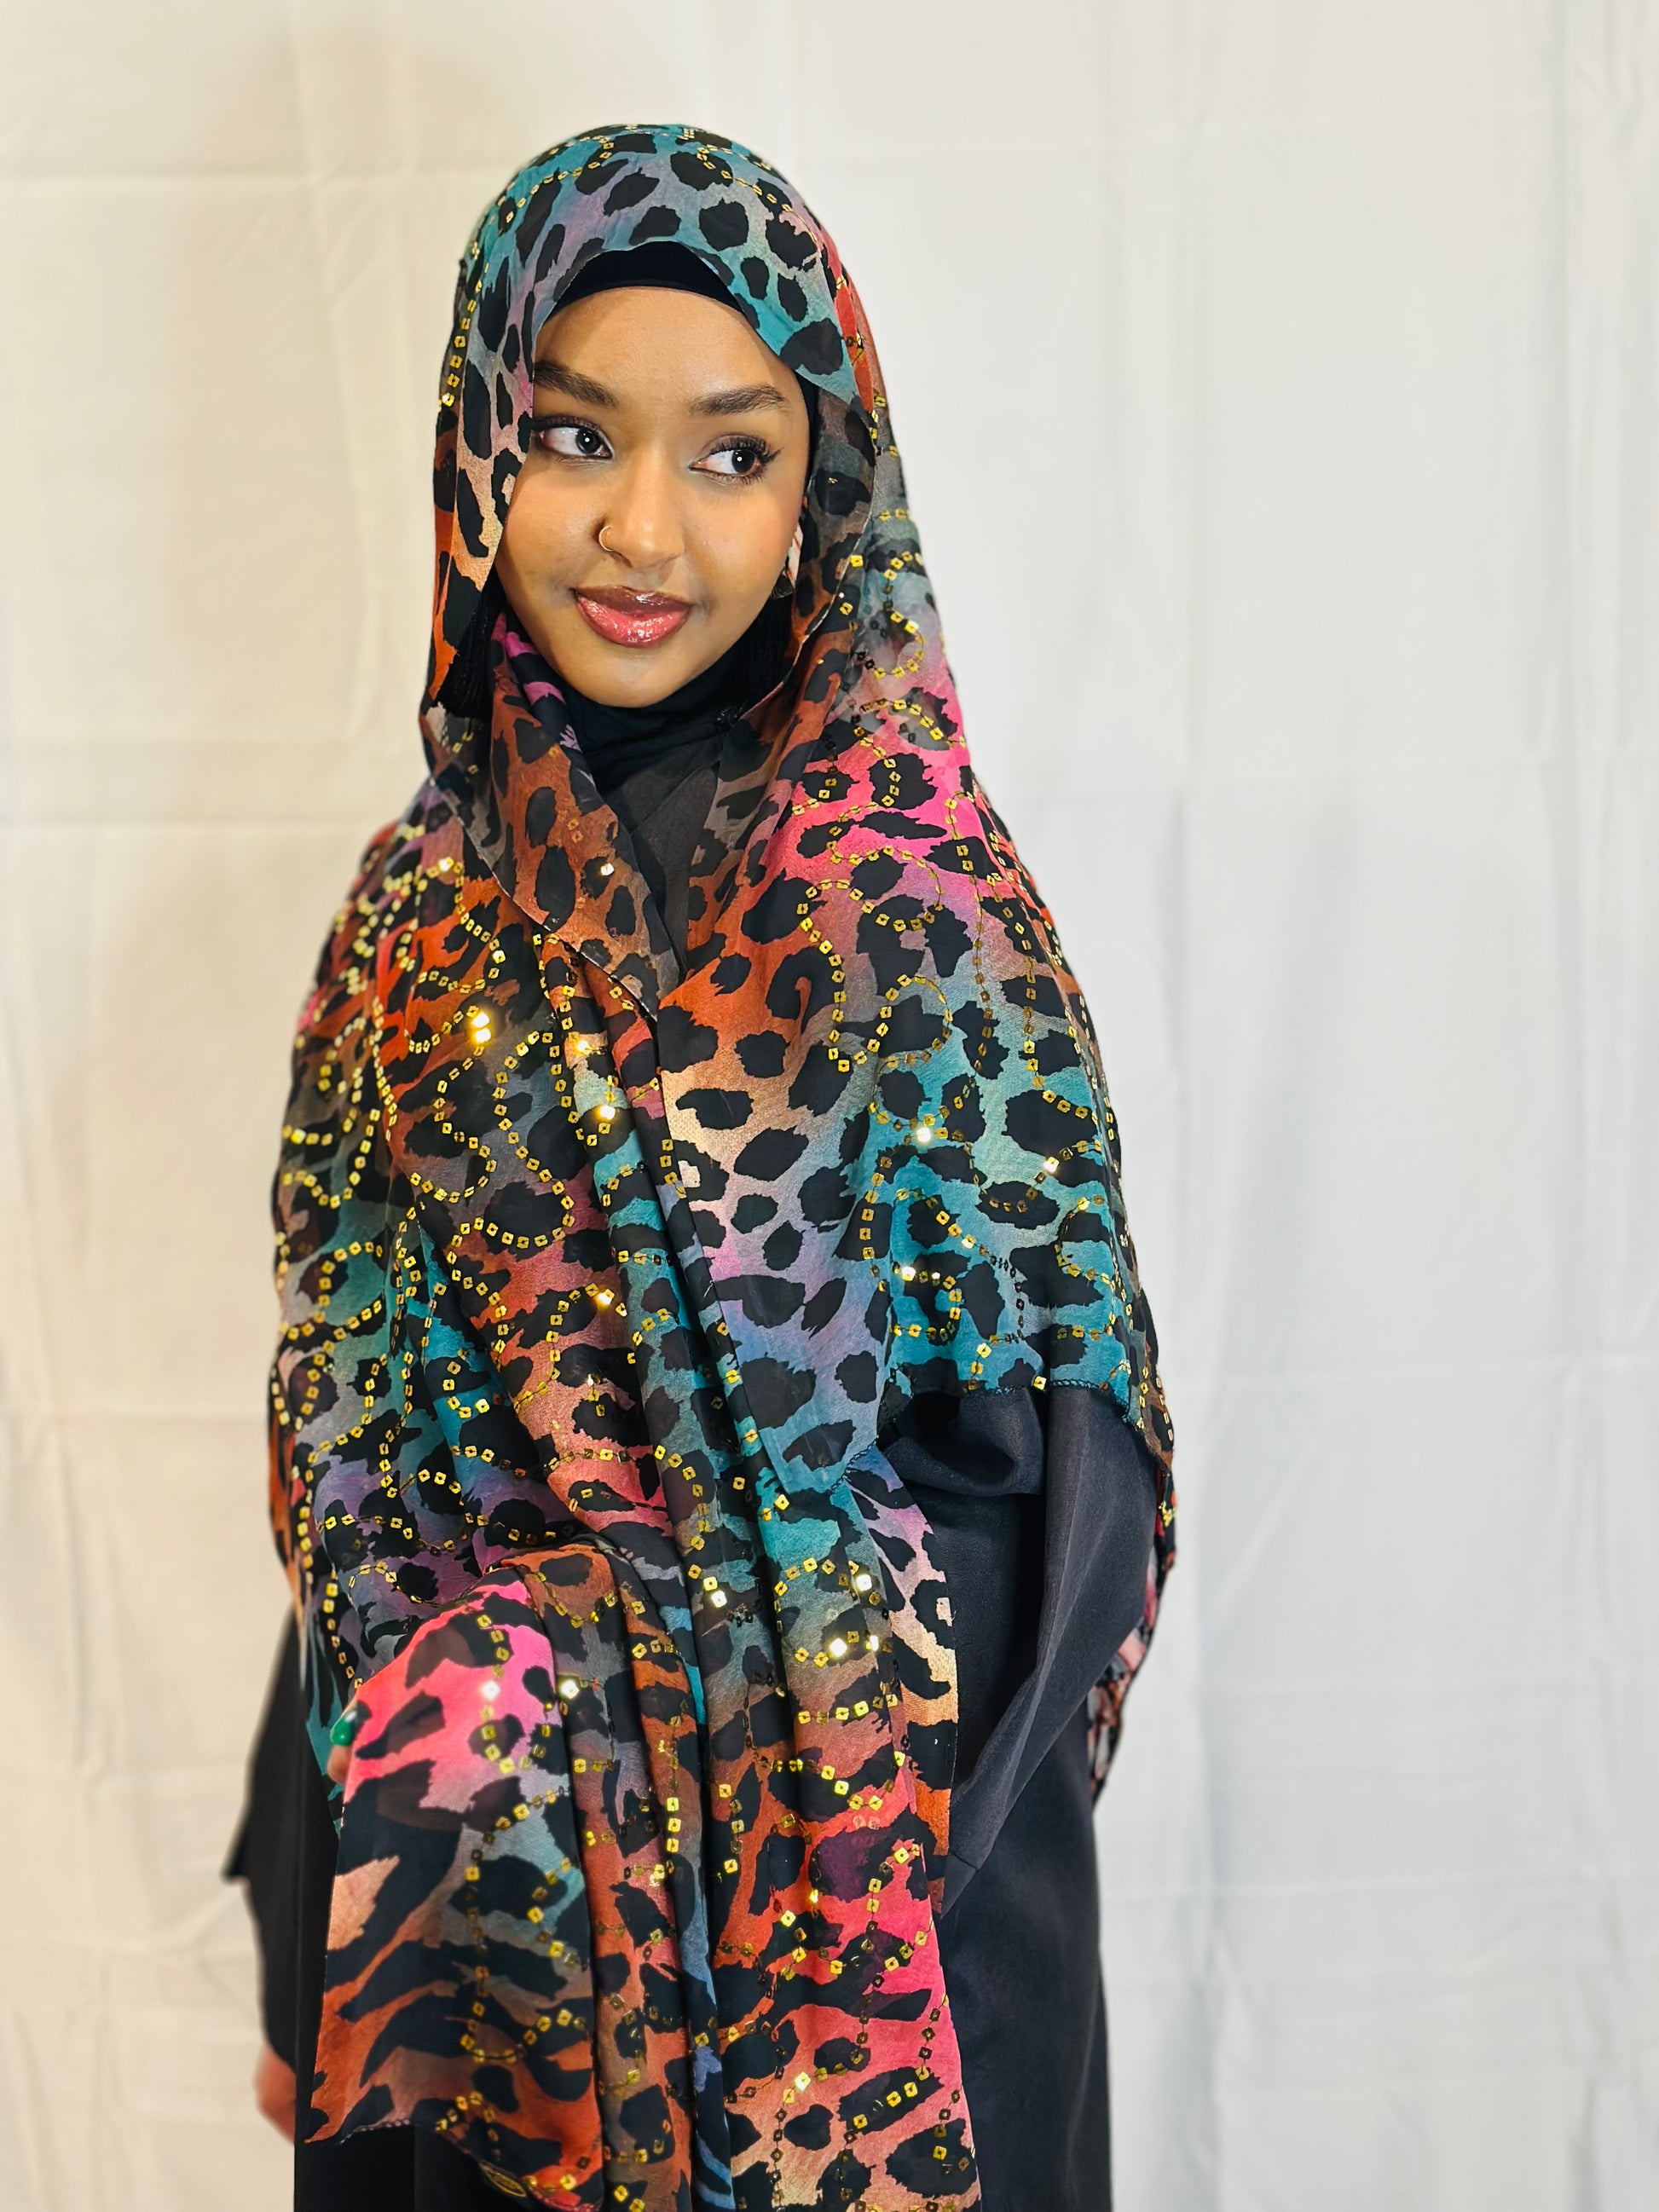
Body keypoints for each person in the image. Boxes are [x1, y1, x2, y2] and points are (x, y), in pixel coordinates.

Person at [227, 124, 1175, 2212]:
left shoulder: (918, 916)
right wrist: (312, 1906)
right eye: (575, 435)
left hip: (887, 1934)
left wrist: (683, 1658)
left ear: (825, 488)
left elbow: (1059, 1477)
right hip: (476, 1925)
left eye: (732, 454)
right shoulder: (412, 923)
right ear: (481, 447)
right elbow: (355, 1473)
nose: (642, 526)